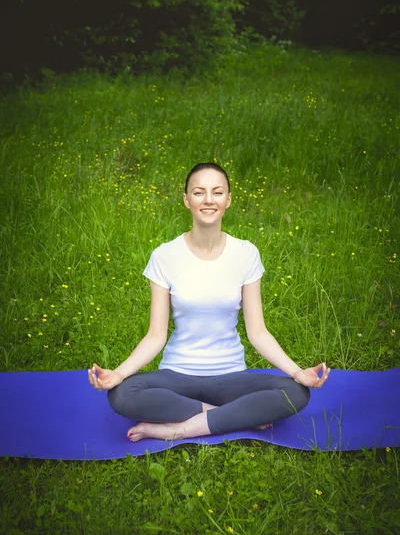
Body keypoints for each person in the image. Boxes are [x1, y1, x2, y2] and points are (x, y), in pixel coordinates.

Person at [88, 162, 330, 442]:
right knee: (121, 394)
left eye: (217, 192)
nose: (208, 200)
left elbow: (258, 332)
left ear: (228, 200)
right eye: (199, 192)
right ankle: (231, 415)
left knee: (297, 393)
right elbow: (156, 335)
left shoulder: (246, 253)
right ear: (186, 199)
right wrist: (118, 373)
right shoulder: (164, 256)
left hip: (230, 377)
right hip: (177, 375)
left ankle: (177, 430)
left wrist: (297, 372)